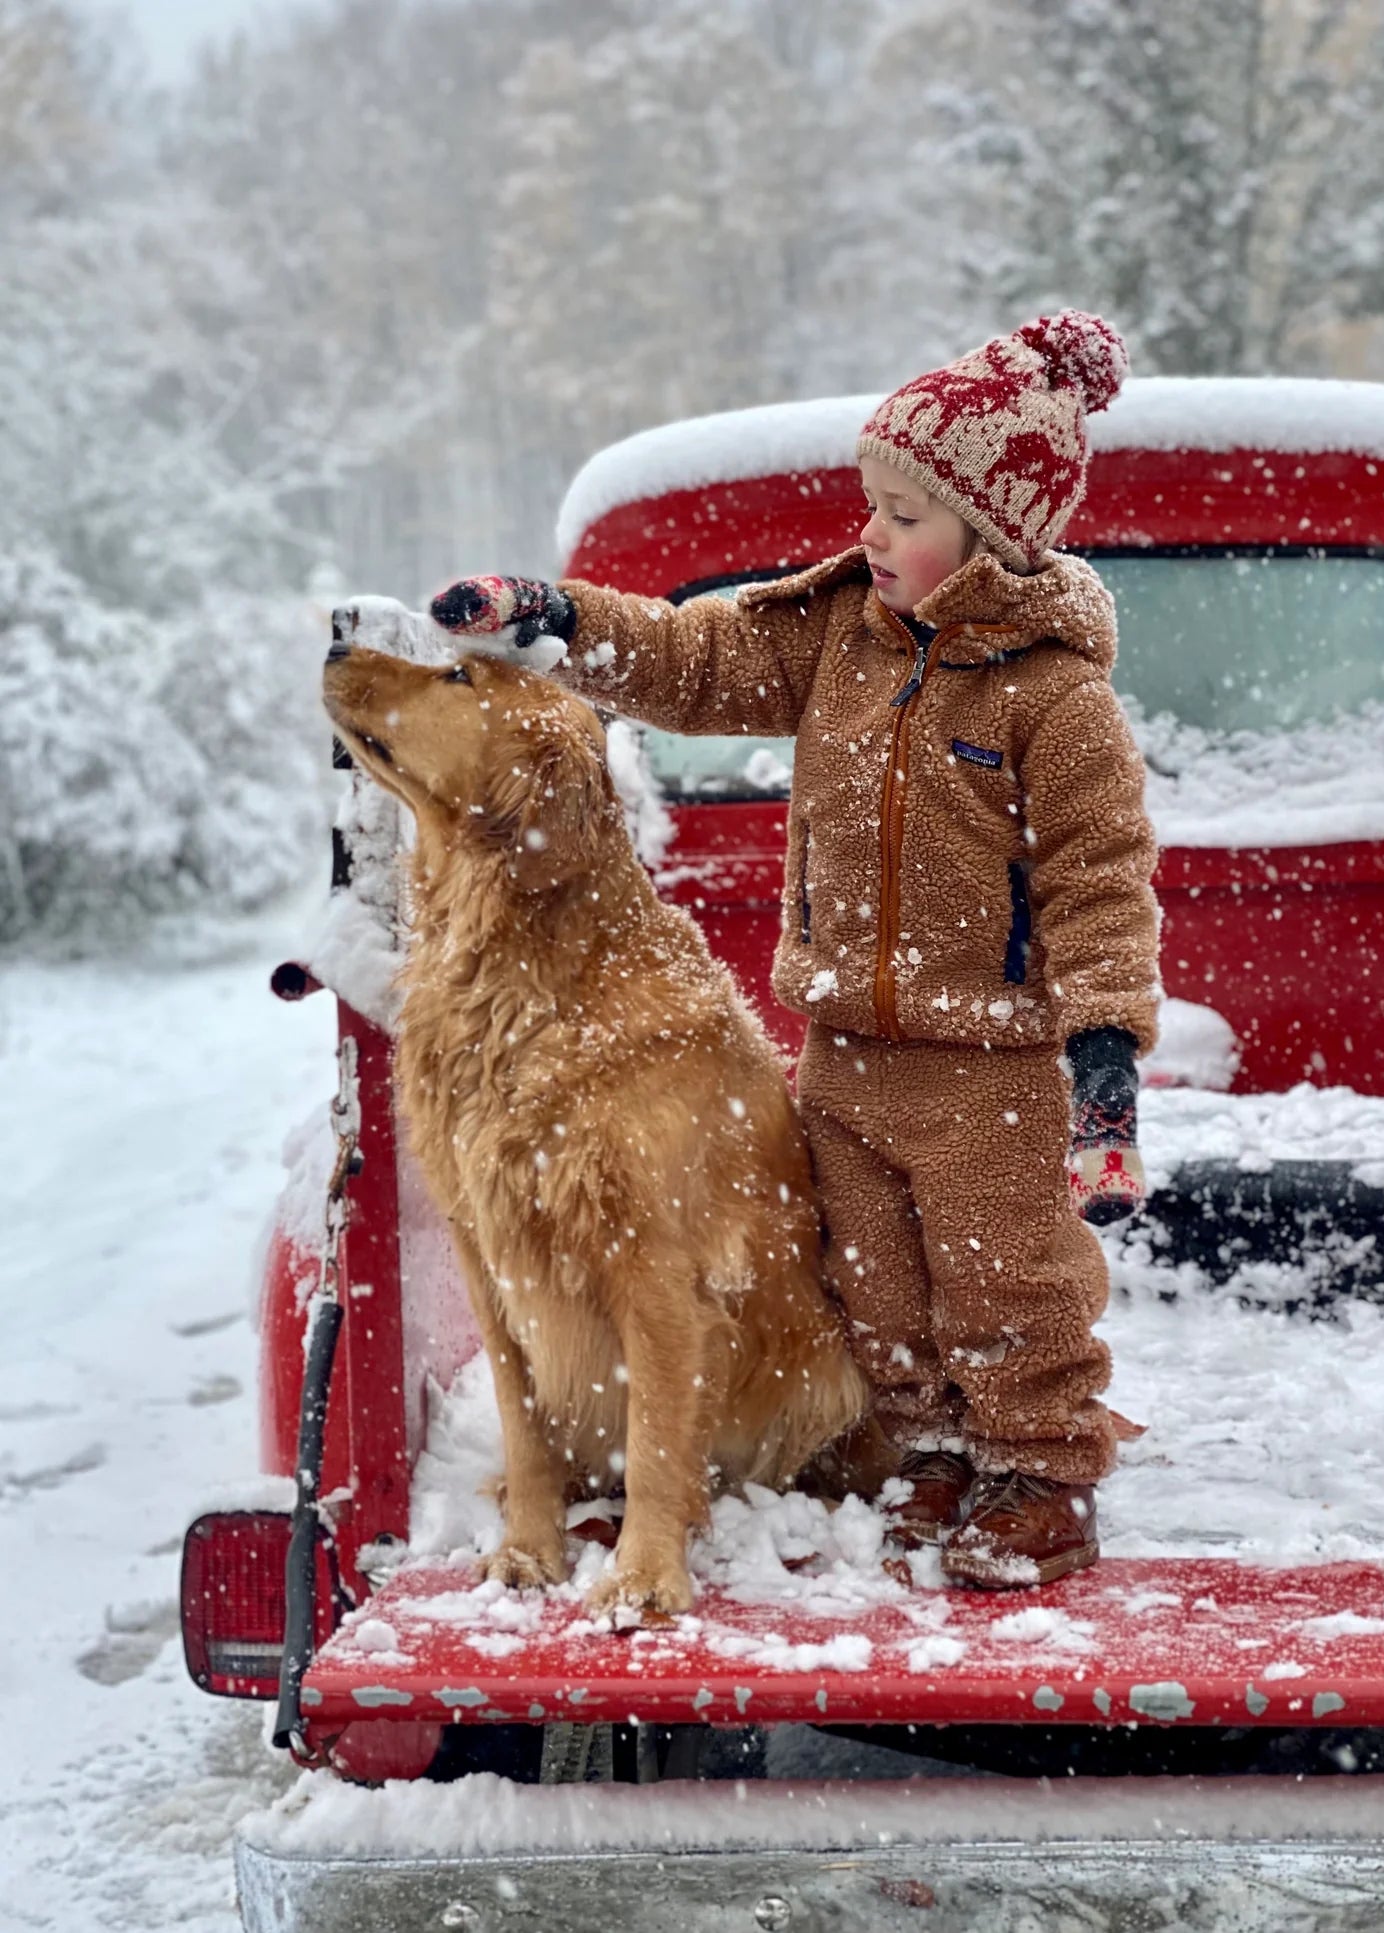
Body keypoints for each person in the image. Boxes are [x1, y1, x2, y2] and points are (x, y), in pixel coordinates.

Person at [429, 310, 1160, 1588]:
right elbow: (693, 657)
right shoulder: (835, 637)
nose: (870, 533)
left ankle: (1040, 1470)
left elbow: (1098, 882)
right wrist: (555, 619)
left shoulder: (1053, 698)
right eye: (870, 503)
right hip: (844, 1052)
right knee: (873, 1287)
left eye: (904, 514)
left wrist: (1102, 1057)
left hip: (984, 1063)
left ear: (988, 537)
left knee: (1004, 1279)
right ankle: (934, 1450)